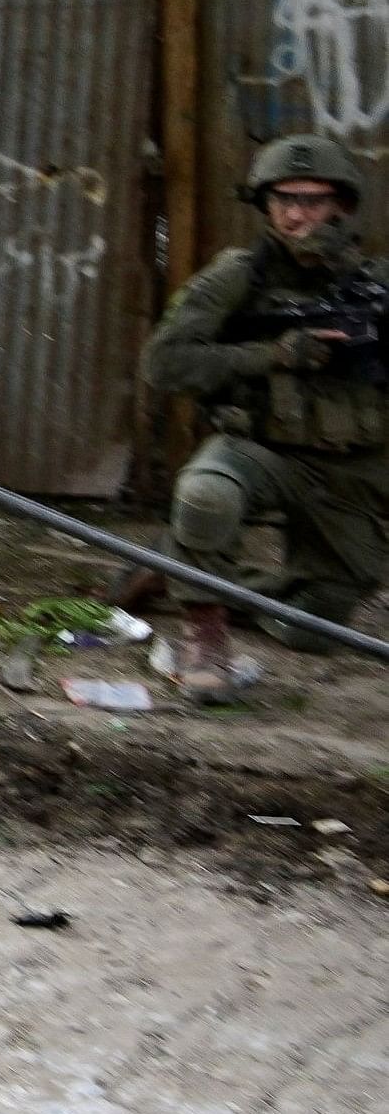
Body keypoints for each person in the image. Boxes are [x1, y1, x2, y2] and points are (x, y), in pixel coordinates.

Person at [138, 131, 389, 701]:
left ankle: (178, 566)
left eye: (314, 201)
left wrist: (358, 288)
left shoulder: (377, 282)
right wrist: (272, 354)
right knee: (206, 494)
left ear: (342, 205)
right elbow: (164, 362)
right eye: (284, 201)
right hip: (261, 452)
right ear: (265, 205)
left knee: (313, 627)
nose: (298, 215)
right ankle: (205, 636)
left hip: (349, 473)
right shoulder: (237, 277)